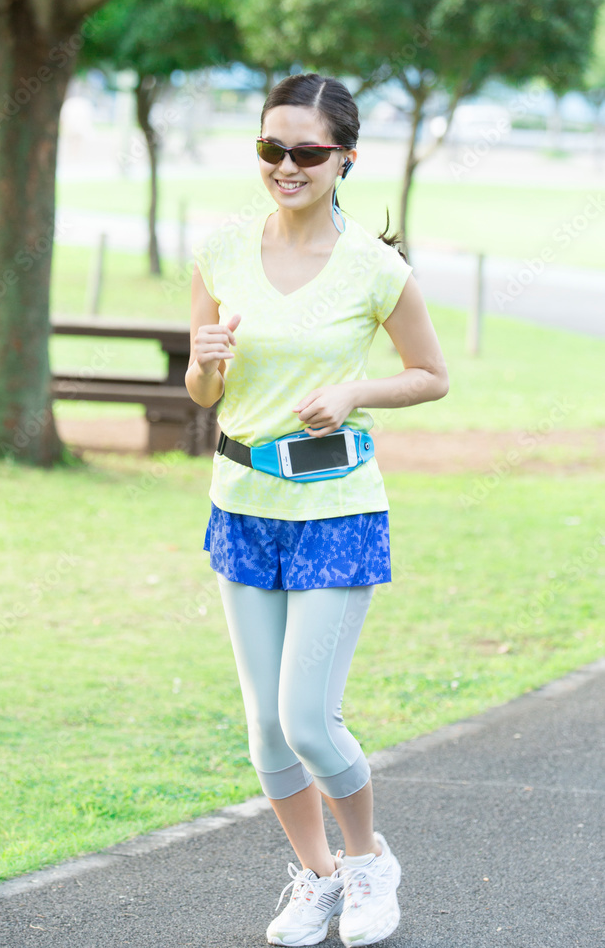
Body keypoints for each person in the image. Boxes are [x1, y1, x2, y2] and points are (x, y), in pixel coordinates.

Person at [185, 72, 449, 947]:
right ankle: (320, 875)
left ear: (345, 159)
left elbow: (431, 376)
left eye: (306, 151)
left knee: (307, 718)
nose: (286, 166)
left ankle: (368, 861)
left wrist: (353, 392)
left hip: (335, 507)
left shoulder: (375, 267)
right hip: (241, 505)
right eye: (272, 148)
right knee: (265, 728)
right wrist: (204, 363)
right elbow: (201, 392)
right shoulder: (221, 251)